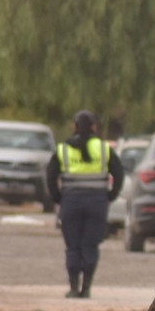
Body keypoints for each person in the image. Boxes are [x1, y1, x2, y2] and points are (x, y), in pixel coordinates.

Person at [45, 110, 121, 299]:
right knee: (90, 246)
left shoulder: (63, 149)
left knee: (73, 247)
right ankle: (86, 288)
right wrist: (110, 195)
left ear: (75, 127)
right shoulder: (104, 149)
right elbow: (119, 173)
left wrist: (57, 198)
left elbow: (50, 175)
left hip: (71, 202)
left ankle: (73, 287)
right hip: (97, 203)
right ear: (94, 127)